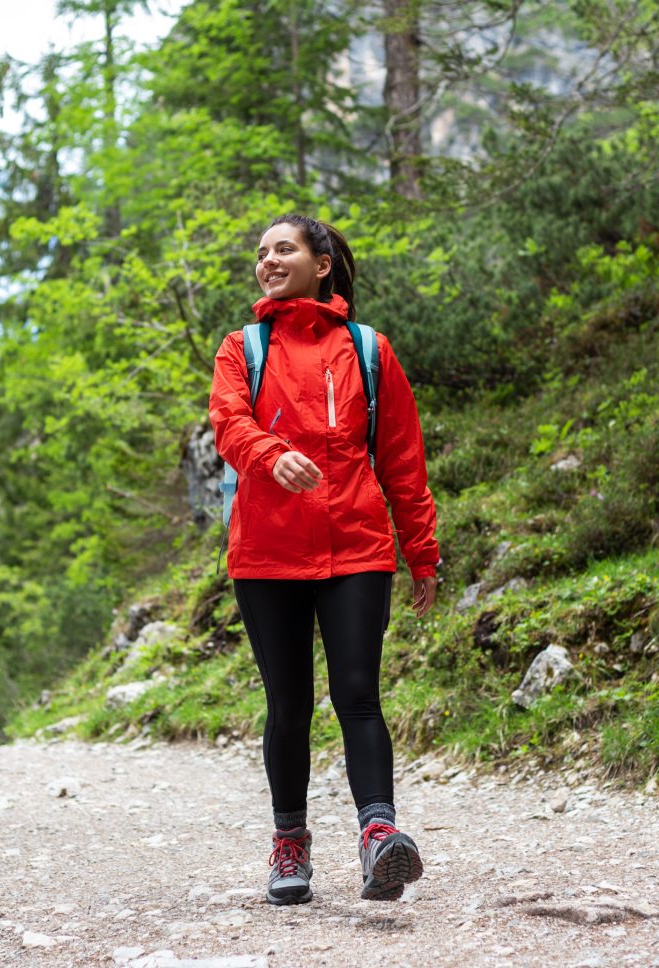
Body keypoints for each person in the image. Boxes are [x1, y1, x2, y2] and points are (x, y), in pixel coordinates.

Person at [208, 215, 440, 906]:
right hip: (267, 554)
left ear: (323, 262)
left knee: (358, 694)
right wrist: (271, 457)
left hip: (356, 547)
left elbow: (402, 458)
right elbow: (228, 422)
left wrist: (420, 551)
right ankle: (290, 842)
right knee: (290, 703)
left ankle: (379, 838)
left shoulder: (369, 350)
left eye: (284, 249)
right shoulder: (241, 348)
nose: (268, 261)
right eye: (261, 253)